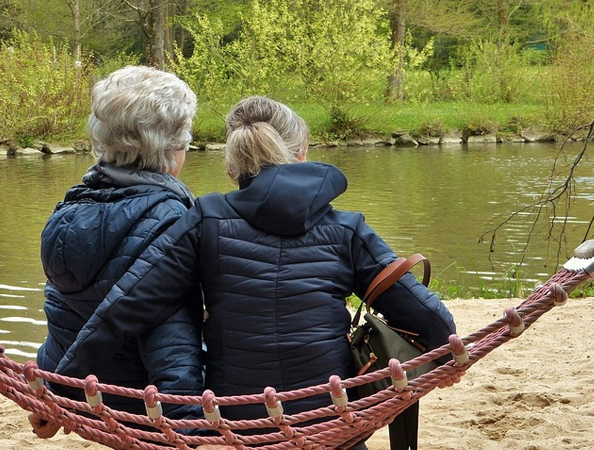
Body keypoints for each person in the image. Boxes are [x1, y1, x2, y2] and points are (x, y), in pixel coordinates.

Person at [56, 97, 457, 449]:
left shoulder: (203, 219)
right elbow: (432, 321)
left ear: (233, 169)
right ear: (302, 156)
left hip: (239, 428)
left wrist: (58, 392)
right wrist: (445, 358)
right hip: (332, 423)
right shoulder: (348, 229)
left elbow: (124, 308)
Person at [30, 65, 203, 438]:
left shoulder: (67, 211)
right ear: (172, 149)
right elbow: (172, 343)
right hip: (145, 404)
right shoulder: (172, 219)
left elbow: (64, 316)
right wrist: (189, 430)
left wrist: (54, 394)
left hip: (82, 395)